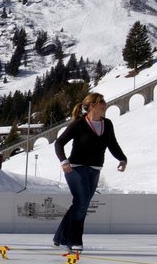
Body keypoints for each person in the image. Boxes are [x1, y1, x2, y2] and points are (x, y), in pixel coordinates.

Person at [52, 92, 127, 251]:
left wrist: (122, 158)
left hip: (95, 170)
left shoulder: (107, 124)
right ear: (92, 105)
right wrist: (64, 161)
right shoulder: (79, 124)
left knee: (81, 204)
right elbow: (59, 143)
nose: (105, 104)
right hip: (76, 168)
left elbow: (112, 144)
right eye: (101, 101)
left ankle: (60, 237)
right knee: (82, 202)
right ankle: (74, 240)